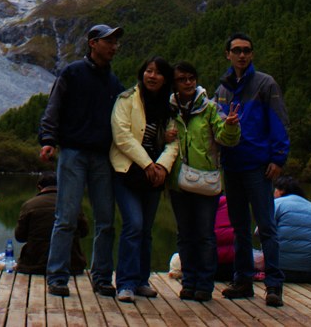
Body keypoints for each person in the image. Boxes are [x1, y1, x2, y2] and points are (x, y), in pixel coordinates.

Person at [39, 23, 125, 298]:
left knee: (106, 220)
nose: (114, 46)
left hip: (102, 156)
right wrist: (48, 140)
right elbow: (54, 106)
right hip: (73, 153)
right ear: (92, 43)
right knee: (66, 218)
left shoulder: (114, 83)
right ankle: (57, 277)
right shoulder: (72, 73)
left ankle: (101, 277)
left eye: (116, 42)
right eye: (108, 41)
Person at [215, 32, 289, 308]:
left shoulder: (265, 84)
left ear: (252, 54)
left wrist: (278, 158)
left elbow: (279, 121)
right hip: (232, 167)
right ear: (228, 54)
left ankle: (274, 285)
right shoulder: (222, 90)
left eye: (246, 50)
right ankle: (243, 280)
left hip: (258, 167)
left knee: (267, 227)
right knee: (239, 228)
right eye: (237, 50)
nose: (242, 55)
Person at [168, 61, 240, 302]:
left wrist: (230, 127)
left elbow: (225, 138)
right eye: (182, 79)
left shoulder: (210, 108)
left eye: (191, 78)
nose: (188, 83)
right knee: (185, 234)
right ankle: (188, 282)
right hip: (178, 182)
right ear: (174, 83)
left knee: (205, 235)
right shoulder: (169, 109)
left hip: (206, 181)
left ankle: (205, 284)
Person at [110, 56, 179, 302]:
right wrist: (148, 163)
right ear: (142, 73)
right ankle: (125, 283)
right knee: (134, 224)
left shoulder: (170, 107)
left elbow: (174, 142)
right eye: (149, 71)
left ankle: (141, 280)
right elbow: (122, 136)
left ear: (165, 78)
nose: (152, 76)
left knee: (146, 229)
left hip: (153, 175)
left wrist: (161, 167)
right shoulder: (126, 99)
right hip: (128, 171)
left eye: (158, 72)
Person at [14, 172, 88, 275]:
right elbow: (84, 232)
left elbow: (20, 237)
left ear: (39, 187)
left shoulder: (29, 205)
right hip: (71, 266)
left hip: (34, 265)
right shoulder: (73, 204)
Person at [273, 176, 311, 283]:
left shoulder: (276, 204)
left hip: (277, 271)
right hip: (309, 274)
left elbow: (260, 233)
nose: (273, 193)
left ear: (281, 190)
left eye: (275, 190)